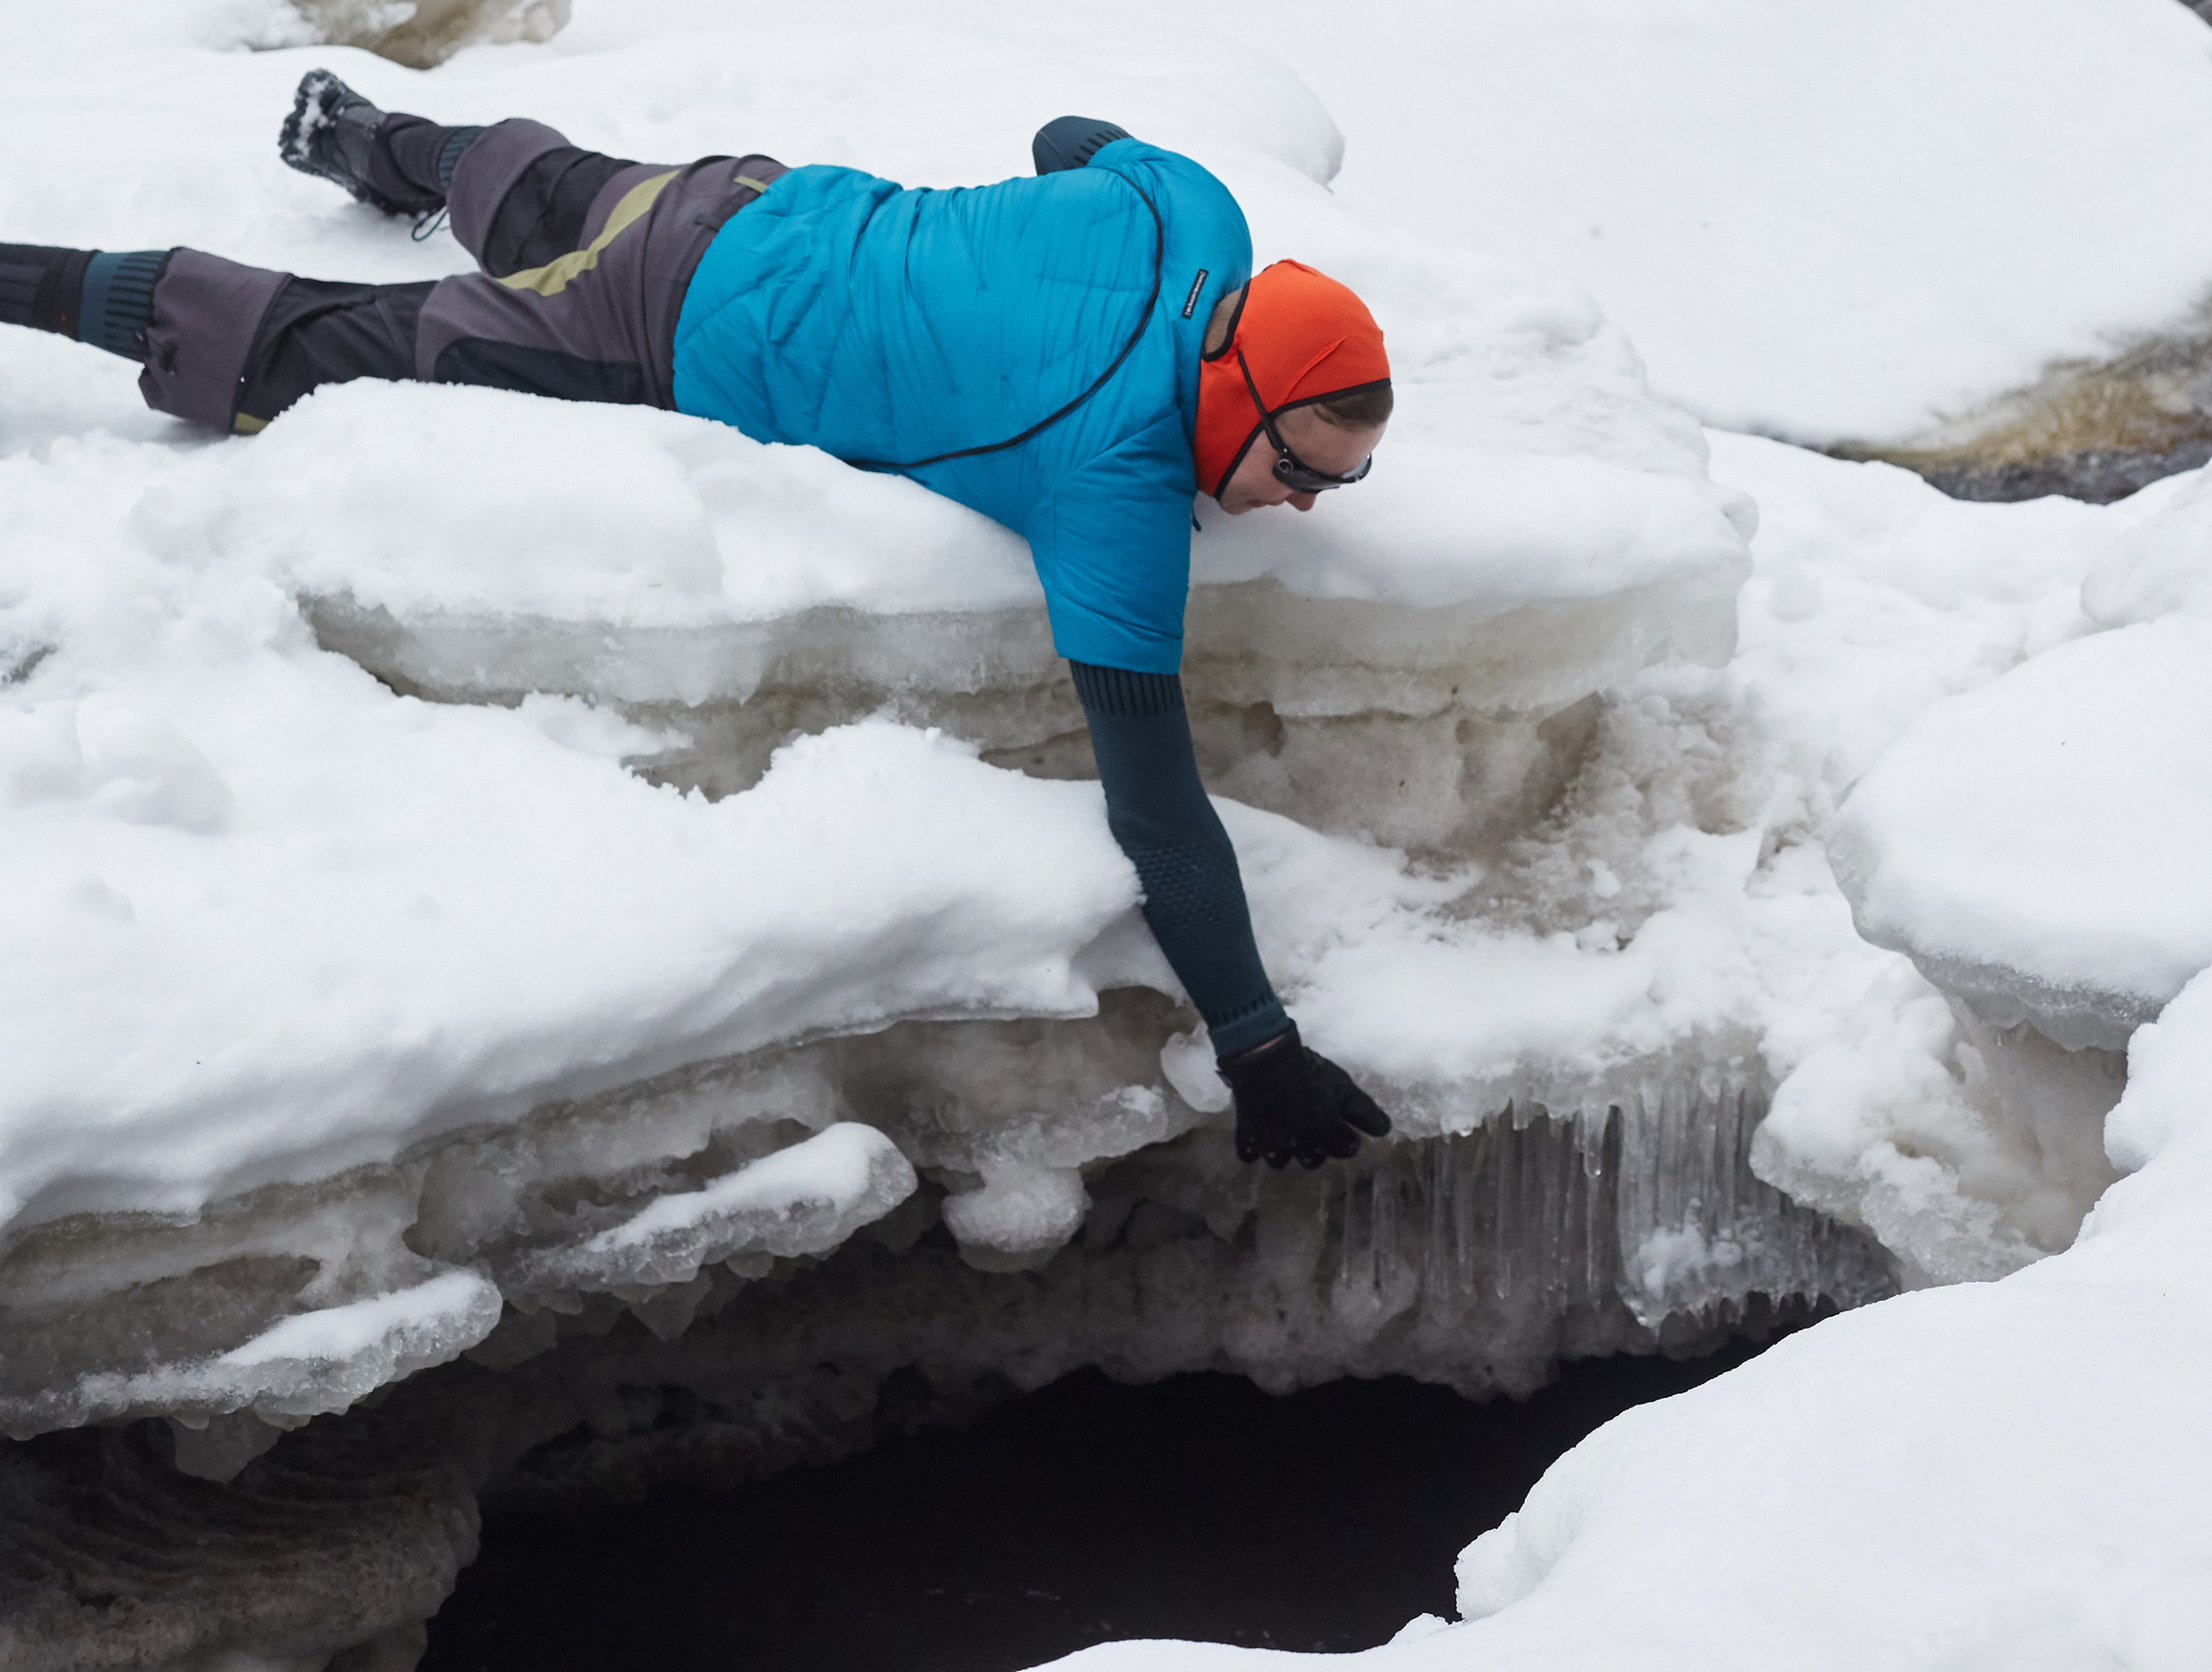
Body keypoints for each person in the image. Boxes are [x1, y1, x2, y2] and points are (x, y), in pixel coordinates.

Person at [0, 76, 1395, 1175]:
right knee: (296, 345)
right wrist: (1257, 1047)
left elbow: (1070, 138)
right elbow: (1157, 815)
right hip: (662, 329)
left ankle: (374, 140)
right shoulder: (1116, 494)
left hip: (749, 199)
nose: (1317, 507)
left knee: (546, 188)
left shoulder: (1196, 215)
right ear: (1235, 399)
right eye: (1306, 472)